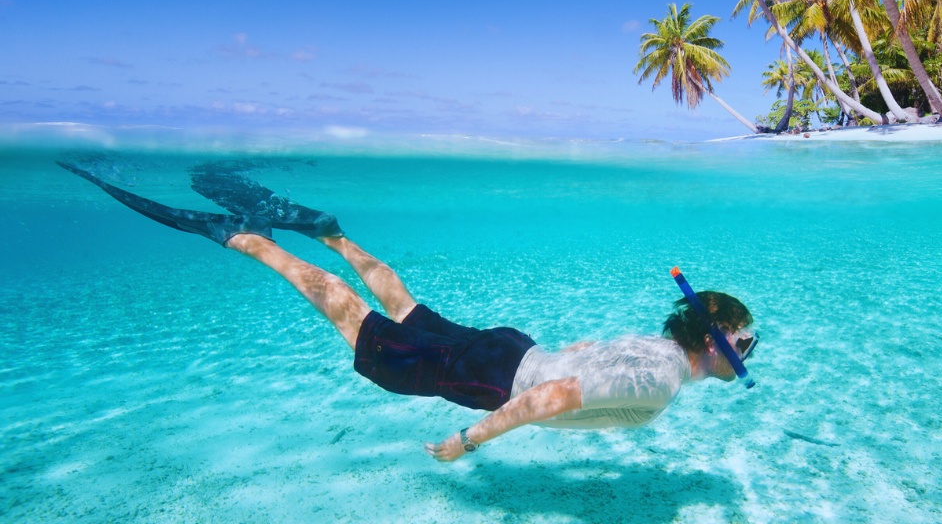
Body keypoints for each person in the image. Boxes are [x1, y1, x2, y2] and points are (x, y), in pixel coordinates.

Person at [59, 161, 759, 462]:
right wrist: (470, 441)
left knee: (401, 302)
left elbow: (581, 350)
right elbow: (553, 397)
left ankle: (328, 230)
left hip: (511, 348)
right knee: (358, 322)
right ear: (716, 340)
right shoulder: (659, 382)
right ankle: (243, 238)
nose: (748, 355)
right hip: (497, 381)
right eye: (746, 343)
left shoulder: (654, 348)